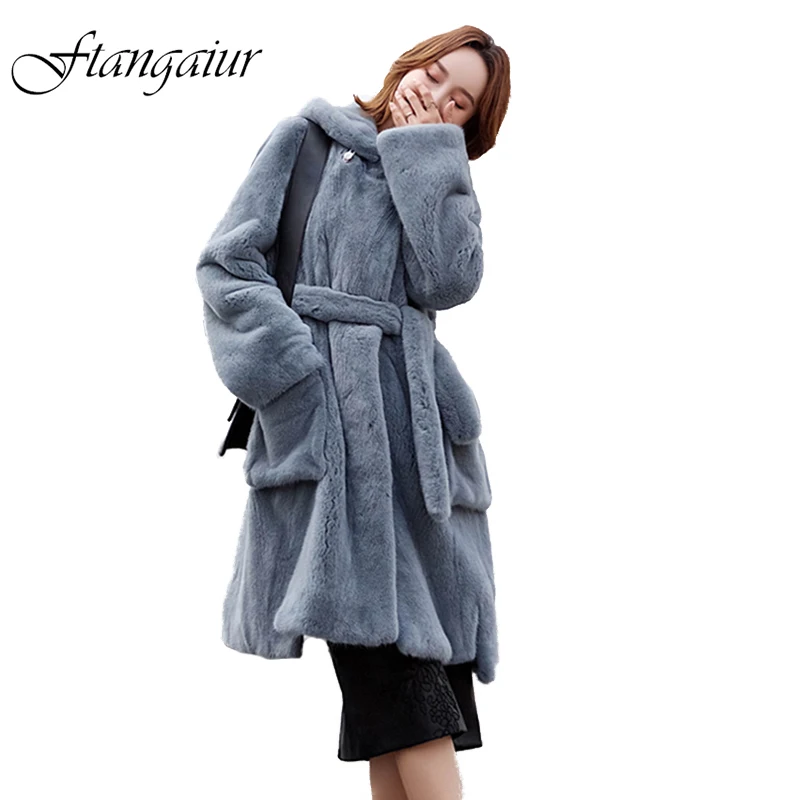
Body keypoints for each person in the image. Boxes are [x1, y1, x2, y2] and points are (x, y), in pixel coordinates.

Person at [195, 24, 510, 800]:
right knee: (402, 702)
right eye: (435, 75)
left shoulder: (436, 173)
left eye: (459, 103)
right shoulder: (306, 140)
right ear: (410, 63)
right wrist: (299, 380)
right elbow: (227, 266)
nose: (436, 97)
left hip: (421, 472)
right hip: (331, 455)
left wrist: (423, 154)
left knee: (398, 715)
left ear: (470, 127)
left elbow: (448, 282)